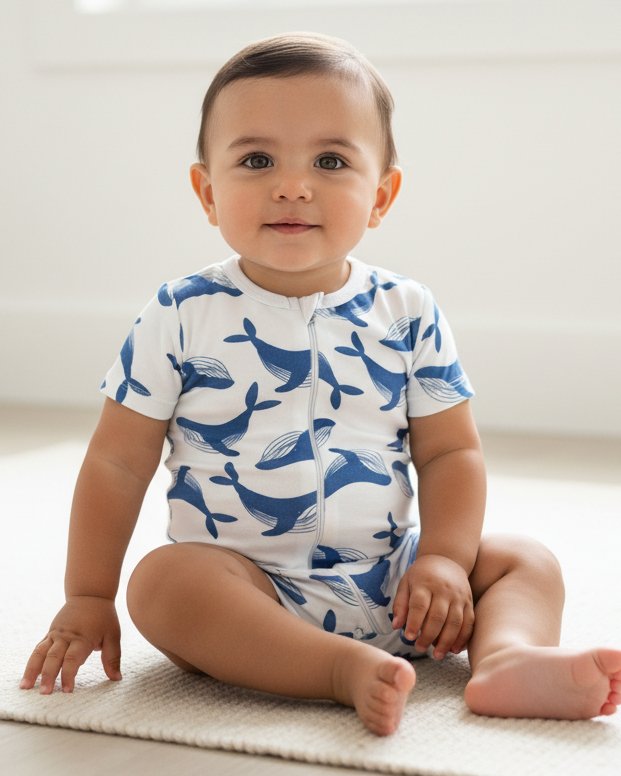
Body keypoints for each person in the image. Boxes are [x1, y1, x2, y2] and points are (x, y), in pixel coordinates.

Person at [20, 32, 621, 737]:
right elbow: (117, 461)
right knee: (162, 584)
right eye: (256, 160)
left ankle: (505, 659)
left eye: (330, 160)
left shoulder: (407, 310)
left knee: (524, 559)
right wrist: (88, 595)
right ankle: (331, 667)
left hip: (394, 580)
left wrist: (444, 563)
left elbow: (449, 453)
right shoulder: (179, 314)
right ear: (207, 192)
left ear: (381, 195)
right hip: (249, 590)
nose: (292, 185)